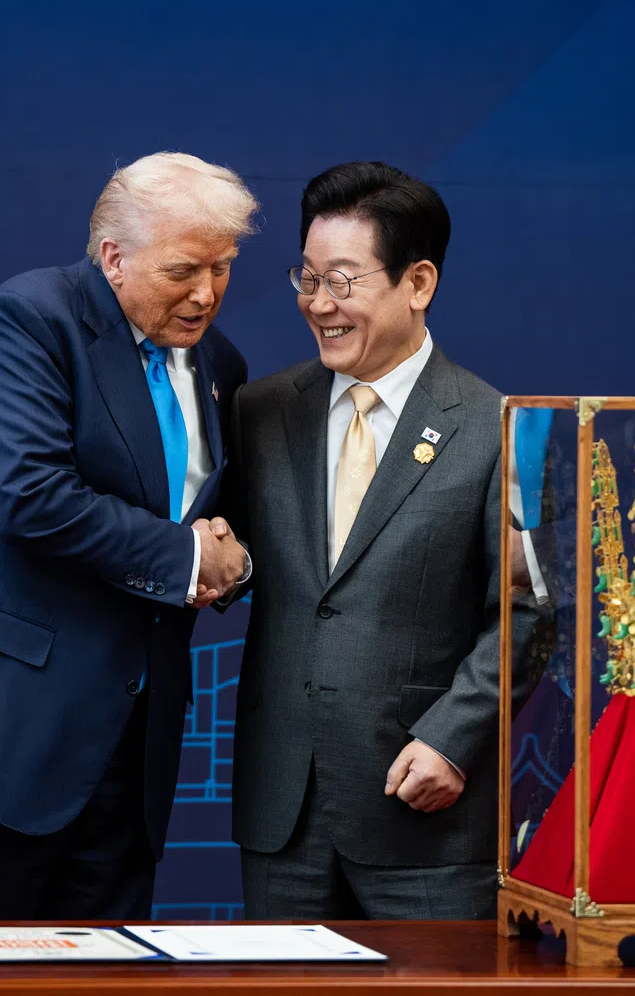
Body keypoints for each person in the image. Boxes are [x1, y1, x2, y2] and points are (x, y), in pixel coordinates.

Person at [0, 152, 256, 920]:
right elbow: (29, 497)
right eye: (184, 270)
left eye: (223, 267)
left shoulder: (220, 365)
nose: (207, 293)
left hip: (126, 756)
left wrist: (230, 566)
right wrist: (189, 557)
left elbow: (219, 526)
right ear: (113, 258)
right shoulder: (33, 317)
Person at [219, 161, 549, 920]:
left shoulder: (498, 427)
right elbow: (235, 562)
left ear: (419, 282)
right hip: (284, 816)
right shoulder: (260, 413)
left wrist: (453, 739)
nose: (318, 305)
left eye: (342, 281)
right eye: (307, 279)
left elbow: (529, 613)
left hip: (423, 813)